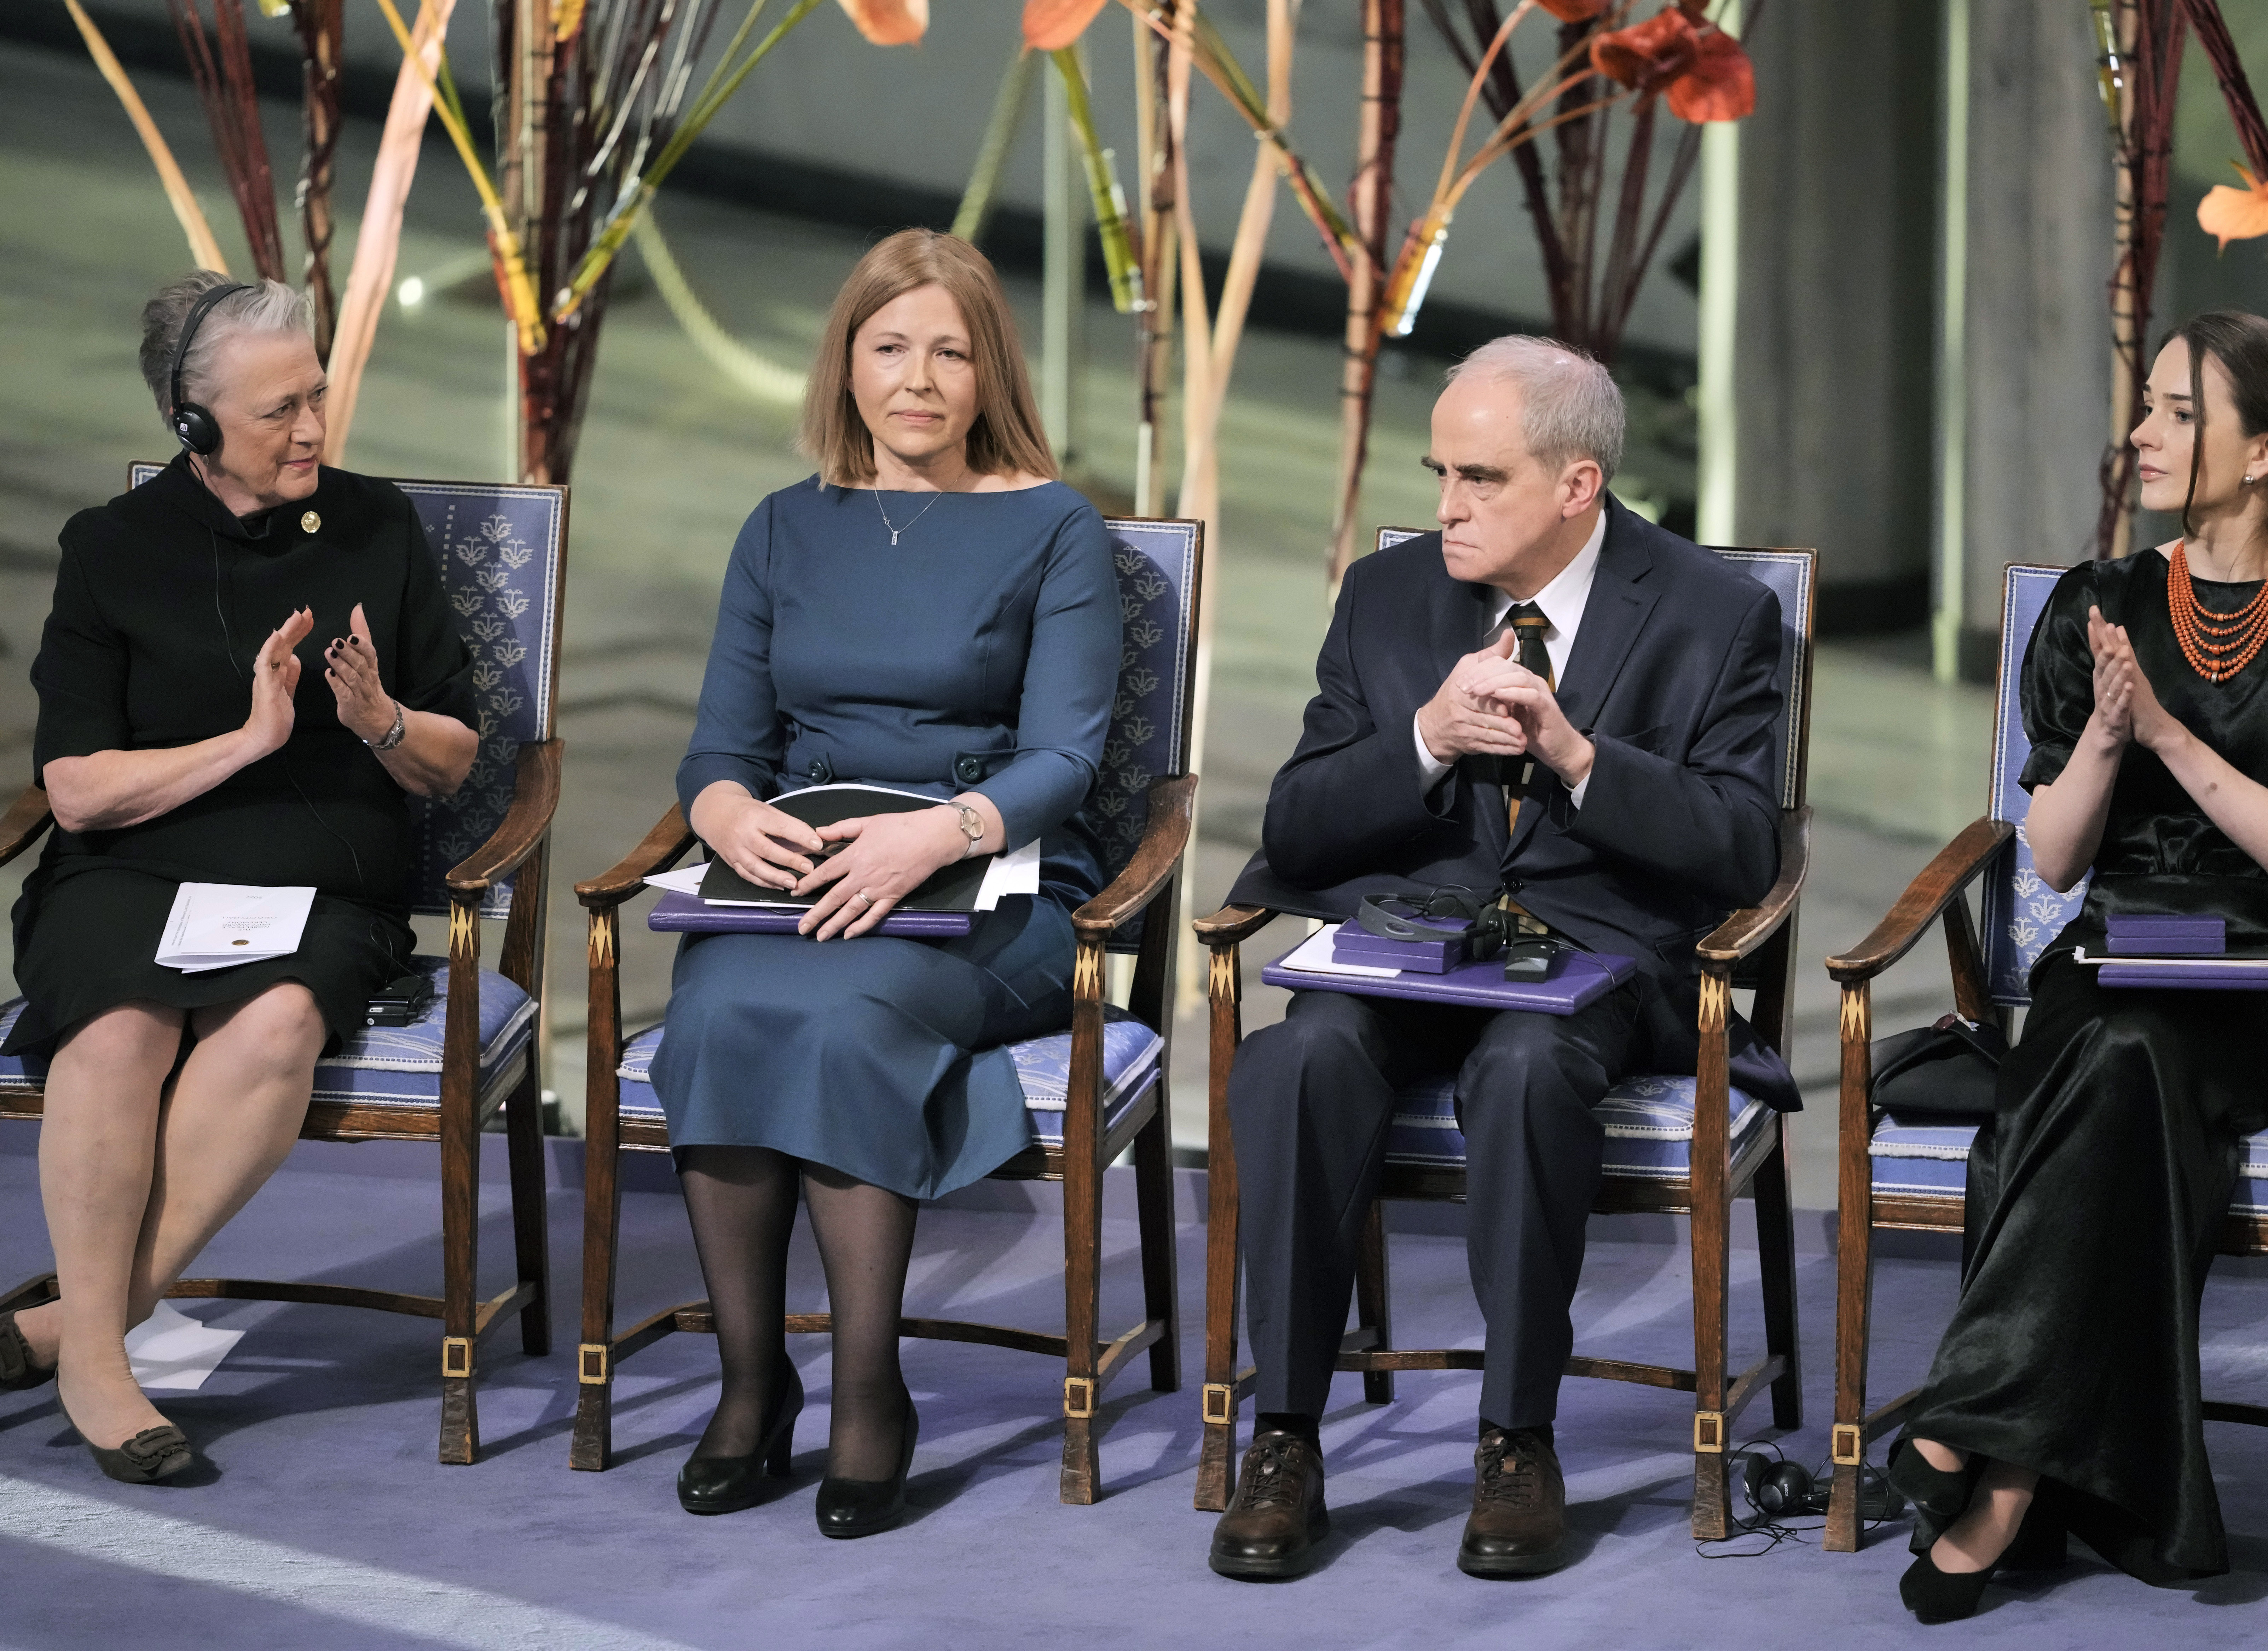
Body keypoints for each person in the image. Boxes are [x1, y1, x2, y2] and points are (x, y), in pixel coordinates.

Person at [1207, 336, 1799, 1581]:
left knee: (1527, 1070)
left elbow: (1746, 851)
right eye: (1441, 474)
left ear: (1577, 486)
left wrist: (1582, 761)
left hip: (1595, 967)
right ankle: (1287, 1436)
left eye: (1481, 479)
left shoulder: (1715, 615)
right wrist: (1423, 736)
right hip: (1417, 944)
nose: (1445, 508)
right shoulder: (1391, 597)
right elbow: (1296, 826)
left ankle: (1518, 1437)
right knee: (1299, 1055)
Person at [1888, 311, 2268, 1622]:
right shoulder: (2097, 605)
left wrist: (2173, 737)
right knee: (2113, 1047)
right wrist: (2104, 742)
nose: (2142, 430)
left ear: (2266, 452)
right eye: (2149, 406)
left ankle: (1978, 1446)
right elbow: (2059, 857)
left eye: (2181, 412)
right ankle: (2011, 1474)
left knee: (2121, 1064)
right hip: (2111, 950)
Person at [647, 229, 1119, 1538]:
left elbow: (1070, 756)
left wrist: (939, 832)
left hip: (997, 881)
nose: (919, 380)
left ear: (990, 372)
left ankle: (870, 1393)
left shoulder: (1055, 527)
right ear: (847, 362)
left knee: (851, 1020)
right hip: (802, 871)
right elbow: (722, 743)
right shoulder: (786, 525)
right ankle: (753, 1384)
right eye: (891, 347)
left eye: (951, 352)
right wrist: (726, 810)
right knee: (722, 1015)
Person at [0, 273, 479, 1482]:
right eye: (280, 410)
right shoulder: (111, 551)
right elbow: (77, 790)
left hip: (319, 890)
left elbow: (455, 757)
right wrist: (245, 742)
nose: (314, 427)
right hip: (131, 868)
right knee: (115, 1034)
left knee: (275, 1024)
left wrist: (378, 720)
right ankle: (104, 1368)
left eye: (318, 395)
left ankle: (77, 1328)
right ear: (193, 423)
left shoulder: (378, 529)